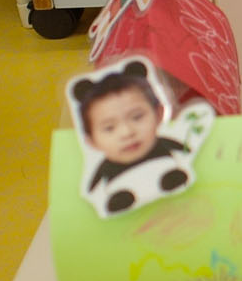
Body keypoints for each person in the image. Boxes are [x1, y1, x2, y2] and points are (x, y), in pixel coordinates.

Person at [72, 66, 192, 215]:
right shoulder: (103, 166)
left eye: (137, 117)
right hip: (125, 208)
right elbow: (91, 187)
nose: (127, 133)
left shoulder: (164, 143)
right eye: (109, 128)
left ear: (159, 114)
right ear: (91, 141)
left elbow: (186, 149)